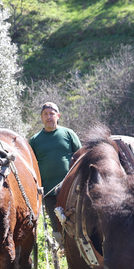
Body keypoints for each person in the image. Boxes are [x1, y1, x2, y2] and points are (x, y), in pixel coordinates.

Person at [29, 102, 81, 241]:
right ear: (41, 117)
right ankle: (62, 248)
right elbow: (30, 166)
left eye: (52, 113)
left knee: (77, 219)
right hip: (49, 193)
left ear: (58, 116)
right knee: (57, 224)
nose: (49, 117)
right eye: (45, 114)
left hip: (72, 188)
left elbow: (80, 157)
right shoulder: (34, 140)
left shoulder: (68, 134)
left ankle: (79, 249)